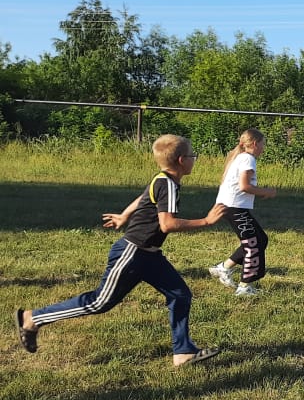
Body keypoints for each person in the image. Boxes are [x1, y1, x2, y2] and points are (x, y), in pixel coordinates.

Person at [15, 134, 227, 367]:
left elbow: (143, 198)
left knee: (180, 295)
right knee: (100, 302)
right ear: (180, 160)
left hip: (150, 255)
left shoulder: (164, 178)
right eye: (192, 156)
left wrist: (125, 215)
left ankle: (183, 352)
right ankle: (32, 318)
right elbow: (168, 224)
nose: (194, 159)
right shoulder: (166, 183)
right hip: (133, 253)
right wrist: (206, 221)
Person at [209, 128, 277, 296]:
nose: (263, 148)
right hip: (234, 207)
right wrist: (266, 192)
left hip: (231, 206)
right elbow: (244, 186)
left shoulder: (241, 157)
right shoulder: (248, 158)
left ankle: (223, 268)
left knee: (260, 239)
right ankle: (245, 287)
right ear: (254, 144)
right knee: (253, 244)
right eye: (263, 144)